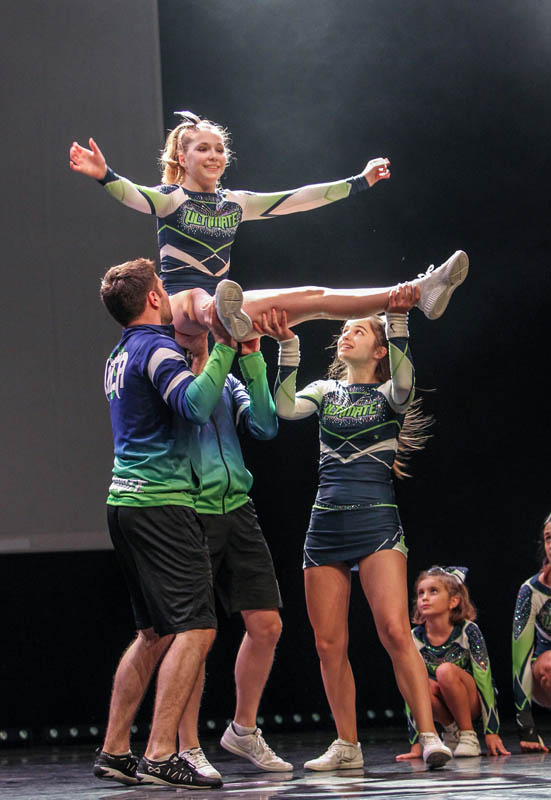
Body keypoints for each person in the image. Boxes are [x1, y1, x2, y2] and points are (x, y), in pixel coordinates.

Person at [259, 283, 455, 769]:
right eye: (344, 329)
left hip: (377, 525)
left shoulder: (391, 394)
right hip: (325, 526)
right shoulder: (325, 392)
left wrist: (398, 318)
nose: (346, 334)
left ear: (379, 349)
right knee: (329, 644)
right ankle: (347, 744)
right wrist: (288, 345)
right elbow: (284, 408)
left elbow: (406, 381)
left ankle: (429, 735)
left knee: (394, 631)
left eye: (358, 330)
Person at [69, 111, 468, 341]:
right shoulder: (172, 198)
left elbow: (300, 197)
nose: (214, 155)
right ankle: (221, 314)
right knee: (197, 297)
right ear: (182, 158)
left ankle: (418, 291)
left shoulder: (236, 203)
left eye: (219, 149)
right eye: (203, 149)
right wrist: (105, 175)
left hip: (228, 309)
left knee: (315, 298)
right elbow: (134, 195)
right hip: (179, 313)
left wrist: (360, 182)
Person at [93, 257, 238, 789]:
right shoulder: (155, 347)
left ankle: (115, 750)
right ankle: (159, 753)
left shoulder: (120, 353)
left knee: (153, 633)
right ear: (155, 299)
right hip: (159, 505)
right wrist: (224, 347)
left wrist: (201, 356)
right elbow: (194, 408)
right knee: (197, 626)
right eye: (163, 286)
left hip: (125, 503)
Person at [175, 333, 292, 778]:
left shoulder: (226, 379)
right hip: (191, 510)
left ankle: (243, 729)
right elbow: (193, 410)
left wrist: (253, 357)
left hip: (239, 507)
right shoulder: (169, 374)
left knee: (267, 625)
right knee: (194, 634)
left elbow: (265, 426)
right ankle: (187, 746)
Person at [396, 566, 510, 761]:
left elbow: (484, 679)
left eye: (433, 591)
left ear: (453, 601)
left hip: (470, 701)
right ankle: (451, 732)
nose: (424, 598)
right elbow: (411, 693)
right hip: (442, 706)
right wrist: (416, 743)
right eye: (421, 593)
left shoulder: (468, 631)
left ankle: (468, 734)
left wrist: (492, 731)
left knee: (445, 671)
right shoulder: (415, 638)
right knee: (419, 684)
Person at [512, 512, 551, 752]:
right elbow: (521, 659)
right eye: (548, 538)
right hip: (545, 676)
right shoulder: (531, 591)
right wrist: (526, 725)